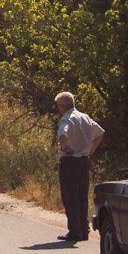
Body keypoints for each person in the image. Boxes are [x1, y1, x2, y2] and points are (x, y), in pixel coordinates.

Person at [54, 91, 104, 242]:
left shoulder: (66, 119)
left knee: (70, 196)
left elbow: (63, 135)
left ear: (62, 105)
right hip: (84, 160)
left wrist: (65, 148)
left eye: (58, 106)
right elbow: (100, 132)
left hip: (70, 161)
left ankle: (75, 231)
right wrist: (90, 150)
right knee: (82, 196)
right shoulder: (84, 117)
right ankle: (83, 229)